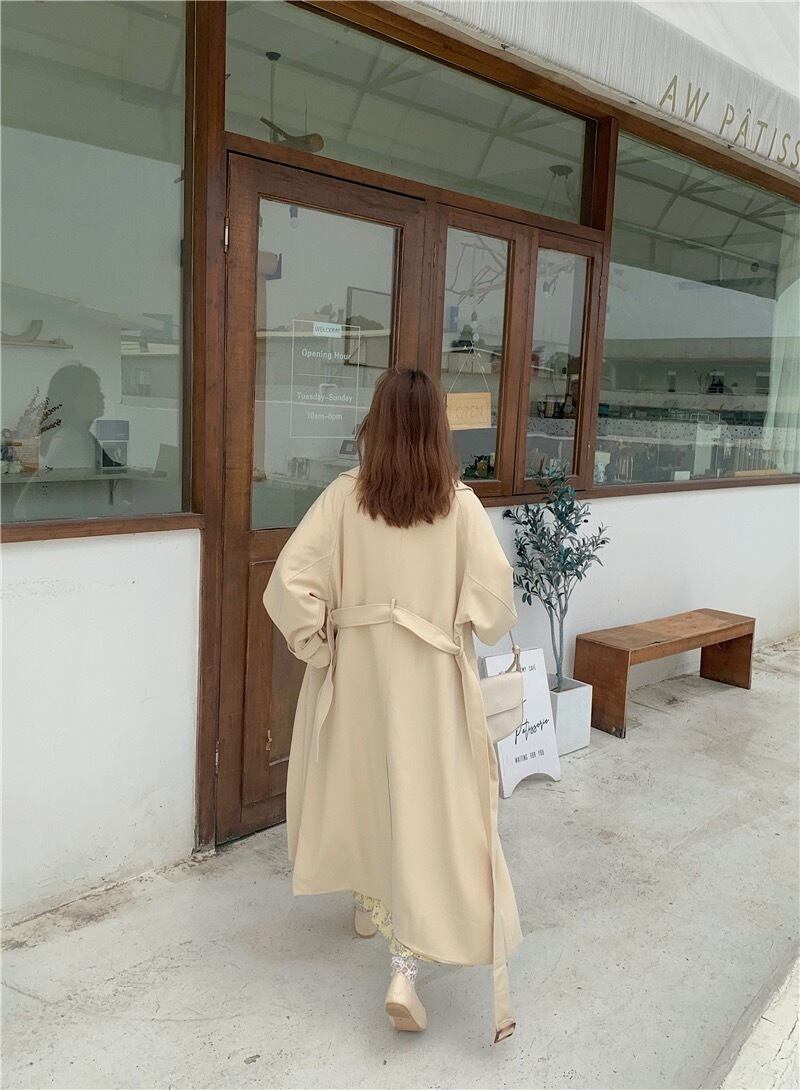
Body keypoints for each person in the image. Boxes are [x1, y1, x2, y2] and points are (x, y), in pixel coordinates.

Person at [263, 368, 522, 1042]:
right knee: (425, 810)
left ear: (373, 425)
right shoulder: (460, 505)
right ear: (438, 429)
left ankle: (366, 903)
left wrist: (321, 647)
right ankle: (404, 970)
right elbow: (496, 607)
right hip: (431, 684)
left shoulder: (343, 499)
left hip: (358, 676)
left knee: (363, 788)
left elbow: (290, 583)